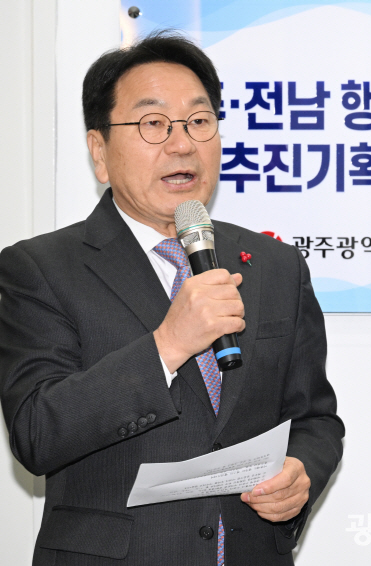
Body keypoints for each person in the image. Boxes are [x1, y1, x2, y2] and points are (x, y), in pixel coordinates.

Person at [0, 31, 344, 565]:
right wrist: (167, 345)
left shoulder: (275, 265)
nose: (182, 144)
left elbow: (315, 419)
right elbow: (37, 434)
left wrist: (300, 474)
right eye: (153, 123)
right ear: (99, 152)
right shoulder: (40, 269)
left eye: (199, 121)